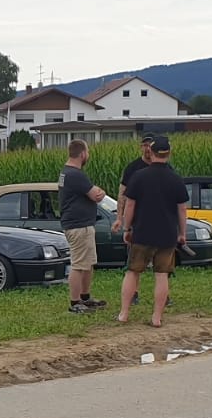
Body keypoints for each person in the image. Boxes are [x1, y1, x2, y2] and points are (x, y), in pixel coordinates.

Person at [118, 135, 188, 327]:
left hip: (142, 233)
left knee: (133, 272)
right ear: (169, 153)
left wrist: (126, 228)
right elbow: (182, 209)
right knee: (161, 274)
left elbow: (130, 205)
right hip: (167, 234)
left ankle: (124, 313)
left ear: (151, 151)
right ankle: (156, 317)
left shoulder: (139, 176)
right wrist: (182, 233)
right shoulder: (175, 178)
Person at [58, 140, 107, 314]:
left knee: (88, 263)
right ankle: (75, 301)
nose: (88, 155)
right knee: (79, 264)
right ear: (82, 154)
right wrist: (101, 192)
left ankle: (85, 297)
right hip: (78, 226)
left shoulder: (66, 172)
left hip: (83, 224)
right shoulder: (76, 174)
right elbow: (96, 195)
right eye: (88, 152)